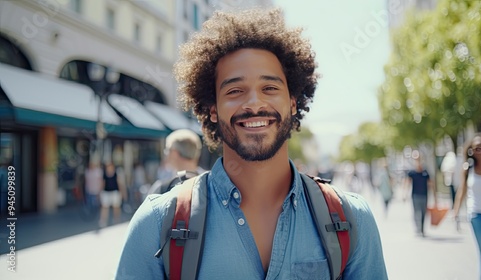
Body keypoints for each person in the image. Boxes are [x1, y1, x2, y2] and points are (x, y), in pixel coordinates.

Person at [116, 8, 387, 279]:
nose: (255, 103)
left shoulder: (352, 219)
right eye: (235, 91)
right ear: (212, 109)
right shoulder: (155, 223)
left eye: (270, 88)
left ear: (293, 103)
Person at [453, 135, 481, 280]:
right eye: (475, 148)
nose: (479, 151)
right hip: (477, 215)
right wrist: (455, 212)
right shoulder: (468, 169)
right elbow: (462, 191)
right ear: (471, 151)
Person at [148, 129, 204, 194]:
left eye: (167, 150)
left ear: (174, 153)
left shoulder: (163, 188)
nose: (166, 155)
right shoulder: (209, 182)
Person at [406, 151, 438, 237]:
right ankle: (418, 228)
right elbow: (407, 183)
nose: (417, 160)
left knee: (424, 212)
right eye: (415, 159)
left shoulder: (425, 172)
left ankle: (422, 229)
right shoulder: (412, 172)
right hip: (415, 195)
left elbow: (431, 184)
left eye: (418, 159)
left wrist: (435, 197)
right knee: (416, 212)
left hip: (424, 195)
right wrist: (404, 194)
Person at [99, 162, 127, 227]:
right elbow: (102, 183)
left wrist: (122, 192)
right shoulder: (104, 174)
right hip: (106, 192)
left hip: (115, 192)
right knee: (104, 207)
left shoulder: (116, 174)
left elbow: (119, 183)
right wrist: (100, 192)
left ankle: (116, 219)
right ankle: (103, 221)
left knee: (116, 207)